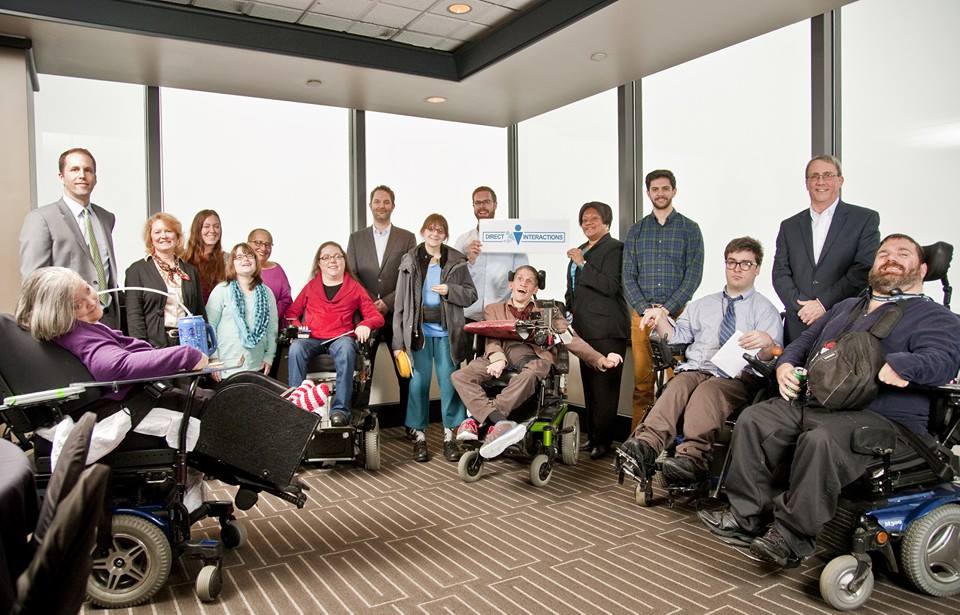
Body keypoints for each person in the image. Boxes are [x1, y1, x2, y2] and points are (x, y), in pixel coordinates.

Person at [699, 234, 960, 569]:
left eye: (903, 253)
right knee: (756, 419)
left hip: (885, 420)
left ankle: (791, 538)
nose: (891, 258)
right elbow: (804, 341)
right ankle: (746, 516)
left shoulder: (935, 316)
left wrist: (904, 366)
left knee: (821, 438)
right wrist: (786, 365)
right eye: (883, 253)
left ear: (922, 269)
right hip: (823, 405)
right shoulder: (846, 307)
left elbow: (945, 359)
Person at [619, 237, 783, 485]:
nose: (737, 268)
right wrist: (661, 319)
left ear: (757, 268)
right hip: (697, 369)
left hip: (736, 377)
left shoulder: (765, 310)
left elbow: (770, 360)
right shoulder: (702, 305)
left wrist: (767, 343)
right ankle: (646, 445)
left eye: (746, 263)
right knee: (677, 386)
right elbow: (677, 338)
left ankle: (692, 458)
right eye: (732, 262)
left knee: (707, 391)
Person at [452, 265, 622, 459]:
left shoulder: (548, 311)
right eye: (519, 279)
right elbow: (492, 340)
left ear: (535, 289)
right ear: (511, 284)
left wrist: (600, 359)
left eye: (529, 281)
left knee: (532, 373)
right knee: (460, 376)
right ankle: (499, 422)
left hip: (533, 357)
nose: (523, 283)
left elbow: (570, 338)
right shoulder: (493, 309)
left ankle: (482, 419)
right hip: (498, 355)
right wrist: (498, 359)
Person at [16, 267, 207, 403]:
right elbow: (114, 366)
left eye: (87, 290)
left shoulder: (82, 329)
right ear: (58, 315)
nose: (91, 302)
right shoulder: (79, 336)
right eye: (77, 305)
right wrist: (186, 355)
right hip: (132, 406)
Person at [623, 169, 704, 432]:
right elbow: (628, 275)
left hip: (677, 317)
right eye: (655, 189)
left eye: (665, 188)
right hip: (641, 317)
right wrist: (646, 309)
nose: (660, 193)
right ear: (648, 193)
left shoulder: (690, 229)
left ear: (674, 191)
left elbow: (693, 276)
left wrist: (665, 310)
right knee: (642, 384)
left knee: (678, 383)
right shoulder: (636, 231)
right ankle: (637, 440)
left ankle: (674, 441)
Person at [393, 214, 477, 463]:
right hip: (418, 334)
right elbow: (399, 305)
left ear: (445, 235)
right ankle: (419, 437)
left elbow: (470, 294)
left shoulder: (456, 261)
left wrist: (450, 290)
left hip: (447, 335)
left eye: (440, 230)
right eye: (430, 229)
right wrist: (398, 344)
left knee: (449, 385)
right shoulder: (410, 260)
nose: (435, 233)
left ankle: (450, 438)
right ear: (423, 232)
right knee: (417, 386)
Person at [773, 154, 880, 343]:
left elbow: (863, 269)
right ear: (806, 183)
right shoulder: (789, 226)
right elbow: (780, 273)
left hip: (843, 322)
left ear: (840, 181)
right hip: (799, 323)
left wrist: (823, 304)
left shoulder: (864, 219)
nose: (820, 181)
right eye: (814, 176)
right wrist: (803, 308)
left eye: (828, 175)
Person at [19, 148, 121, 328]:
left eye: (88, 170)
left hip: (107, 317)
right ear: (61, 177)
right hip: (68, 321)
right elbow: (33, 281)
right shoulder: (41, 219)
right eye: (74, 169)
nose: (82, 175)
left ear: (95, 178)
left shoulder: (106, 218)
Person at [285, 241, 384, 425]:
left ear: (344, 261)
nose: (333, 260)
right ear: (319, 263)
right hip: (312, 339)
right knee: (296, 348)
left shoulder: (354, 287)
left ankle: (340, 410)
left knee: (347, 348)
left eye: (338, 256)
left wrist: (365, 324)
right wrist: (299, 328)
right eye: (327, 257)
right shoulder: (310, 287)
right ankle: (296, 408)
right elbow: (291, 314)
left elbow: (376, 316)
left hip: (341, 338)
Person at [564, 201, 629, 460]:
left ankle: (603, 442)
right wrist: (568, 309)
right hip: (584, 329)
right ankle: (592, 437)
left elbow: (610, 285)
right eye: (584, 219)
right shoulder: (581, 249)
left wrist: (582, 263)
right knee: (590, 388)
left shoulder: (616, 248)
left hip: (607, 329)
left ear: (606, 222)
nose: (588, 223)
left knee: (605, 390)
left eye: (594, 219)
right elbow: (573, 288)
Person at [347, 185, 417, 418]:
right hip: (366, 316)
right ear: (370, 205)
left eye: (386, 202)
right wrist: (369, 303)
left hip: (396, 313)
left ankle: (410, 423)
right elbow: (352, 275)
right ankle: (360, 420)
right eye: (377, 201)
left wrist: (387, 302)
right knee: (363, 370)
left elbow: (410, 276)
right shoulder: (356, 239)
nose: (381, 206)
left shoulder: (407, 238)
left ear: (393, 206)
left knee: (405, 370)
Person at [125, 213, 205, 349]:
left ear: (177, 237)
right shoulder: (137, 270)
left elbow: (199, 311)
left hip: (190, 344)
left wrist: (204, 346)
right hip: (154, 347)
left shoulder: (190, 271)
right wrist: (141, 350)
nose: (163, 236)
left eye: (168, 231)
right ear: (150, 237)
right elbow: (134, 316)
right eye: (157, 232)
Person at [454, 186, 528, 324]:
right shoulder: (463, 241)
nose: (482, 206)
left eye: (487, 202)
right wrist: (468, 259)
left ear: (495, 205)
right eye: (478, 203)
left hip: (501, 315)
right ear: (473, 206)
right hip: (467, 315)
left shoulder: (512, 240)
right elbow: (452, 279)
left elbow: (523, 276)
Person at [205, 243, 278, 381]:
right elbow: (209, 326)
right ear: (232, 264)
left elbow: (272, 328)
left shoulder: (267, 293)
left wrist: (269, 357)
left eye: (249, 256)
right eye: (239, 257)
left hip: (256, 365)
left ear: (256, 262)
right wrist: (213, 359)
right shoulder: (221, 290)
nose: (245, 259)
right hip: (225, 367)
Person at [248, 228, 292, 326]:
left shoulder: (277, 269)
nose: (263, 248)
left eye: (267, 244)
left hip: (274, 324)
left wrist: (271, 317)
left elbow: (286, 299)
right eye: (258, 243)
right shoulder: (240, 268)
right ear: (248, 244)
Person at [184, 209, 227, 304]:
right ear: (197, 230)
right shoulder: (182, 258)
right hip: (190, 312)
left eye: (216, 226)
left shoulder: (228, 259)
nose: (212, 230)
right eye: (206, 226)